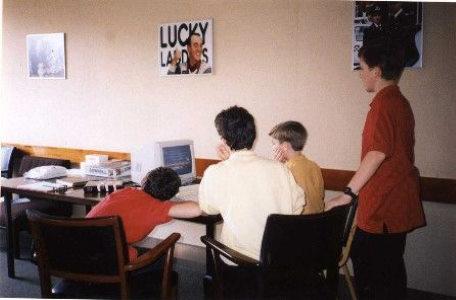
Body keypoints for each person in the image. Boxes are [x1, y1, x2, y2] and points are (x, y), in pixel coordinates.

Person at [325, 41, 425, 299]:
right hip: (392, 205)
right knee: (389, 272)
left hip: (384, 209)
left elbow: (377, 153)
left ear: (377, 72)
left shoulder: (384, 105)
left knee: (375, 276)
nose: (361, 74)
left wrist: (347, 193)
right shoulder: (399, 102)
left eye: (362, 67)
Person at [199, 106, 305, 260]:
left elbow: (208, 208)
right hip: (277, 259)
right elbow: (298, 205)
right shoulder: (279, 169)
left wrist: (227, 163)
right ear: (253, 137)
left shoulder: (216, 172)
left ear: (223, 140)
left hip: (238, 261)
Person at [87, 167, 201, 262]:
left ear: (144, 180)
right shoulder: (155, 207)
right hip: (111, 263)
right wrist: (174, 202)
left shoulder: (124, 192)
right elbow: (197, 210)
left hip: (78, 256)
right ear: (172, 194)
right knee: (164, 260)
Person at [269, 121, 324, 215]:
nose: (272, 147)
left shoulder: (285, 170)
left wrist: (276, 166)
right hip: (317, 223)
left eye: (274, 144)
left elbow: (274, 199)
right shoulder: (314, 166)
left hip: (297, 224)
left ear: (285, 147)